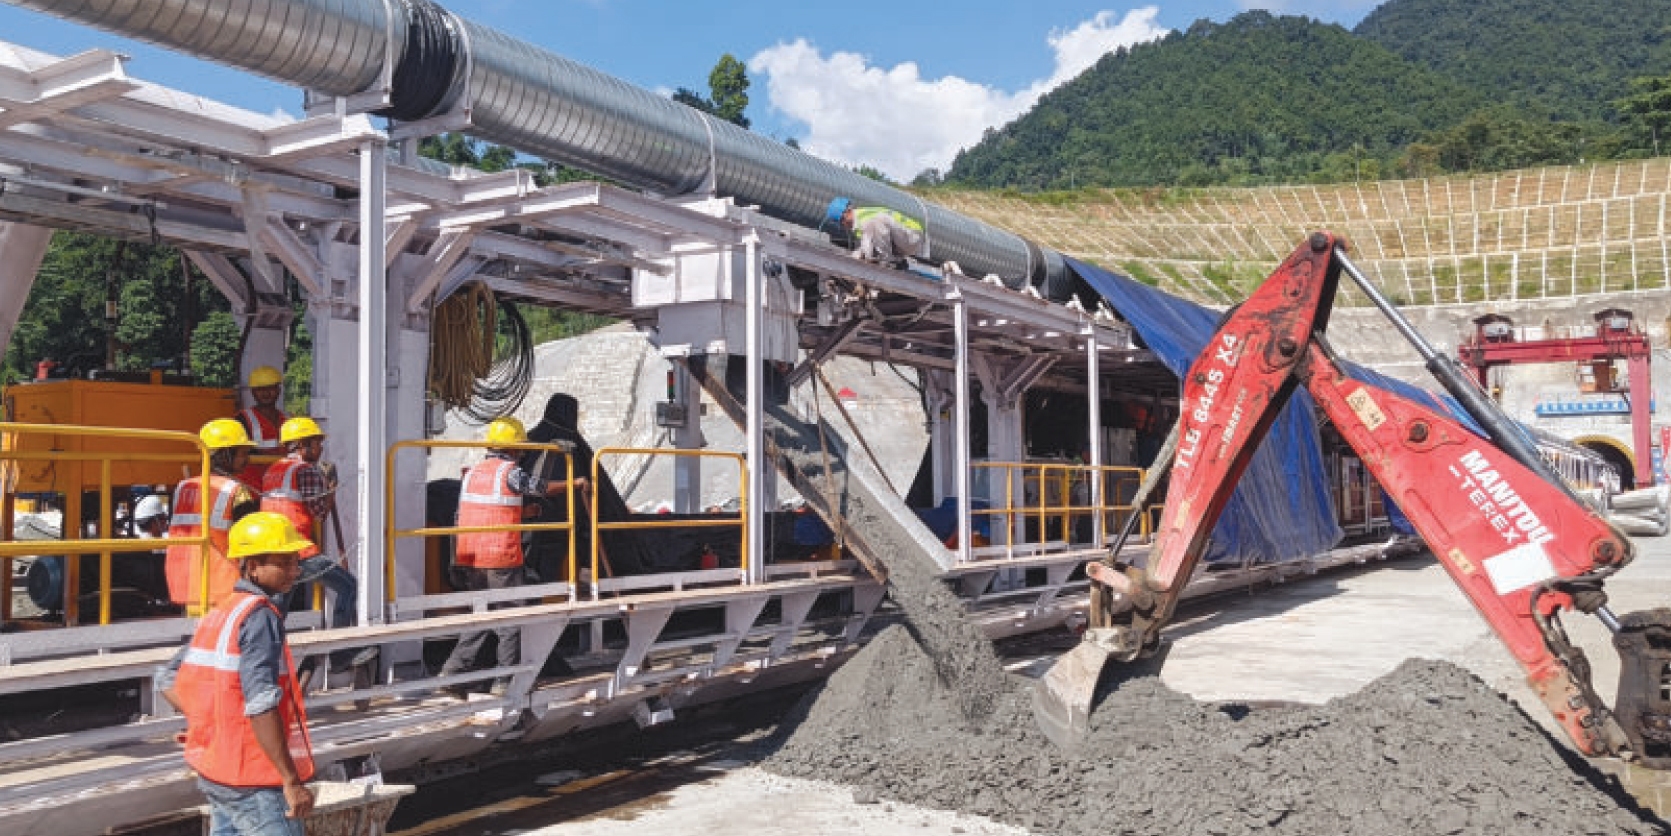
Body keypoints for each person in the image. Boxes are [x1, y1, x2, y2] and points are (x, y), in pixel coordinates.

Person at [158, 512, 316, 836]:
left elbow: (167, 678)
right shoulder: (260, 617)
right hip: (255, 779)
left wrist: (206, 723)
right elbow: (261, 703)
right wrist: (291, 780)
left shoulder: (223, 611)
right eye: (284, 563)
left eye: (295, 562)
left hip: (218, 773)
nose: (294, 571)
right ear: (252, 566)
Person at [439, 416, 587, 696]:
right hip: (499, 557)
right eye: (520, 447)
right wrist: (575, 483)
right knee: (512, 617)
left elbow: (485, 510)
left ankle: (453, 671)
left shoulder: (472, 473)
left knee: (481, 616)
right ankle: (505, 680)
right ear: (511, 447)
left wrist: (523, 513)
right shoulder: (509, 472)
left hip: (470, 556)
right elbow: (540, 488)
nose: (522, 452)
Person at [261, 417, 375, 676]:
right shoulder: (305, 471)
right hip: (299, 551)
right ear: (302, 444)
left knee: (278, 610)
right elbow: (320, 512)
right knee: (348, 586)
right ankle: (340, 655)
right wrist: (331, 487)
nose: (320, 448)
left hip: (274, 552)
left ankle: (265, 657)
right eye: (316, 442)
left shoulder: (272, 470)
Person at [168, 419, 261, 615]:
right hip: (222, 587)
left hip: (186, 586)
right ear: (224, 454)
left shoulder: (184, 487)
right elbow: (252, 541)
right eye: (243, 453)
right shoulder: (234, 490)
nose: (247, 460)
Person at [824, 197, 926, 267]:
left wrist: (868, 259)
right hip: (902, 240)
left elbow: (867, 246)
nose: (843, 226)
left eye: (842, 222)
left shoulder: (863, 219)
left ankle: (887, 261)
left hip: (912, 235)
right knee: (859, 254)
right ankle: (896, 260)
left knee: (876, 222)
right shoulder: (860, 220)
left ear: (846, 213)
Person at [236, 366, 288, 488]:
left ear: (278, 390)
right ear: (253, 392)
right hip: (253, 485)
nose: (266, 393)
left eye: (270, 388)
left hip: (282, 483)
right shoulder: (242, 419)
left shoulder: (288, 419)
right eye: (260, 389)